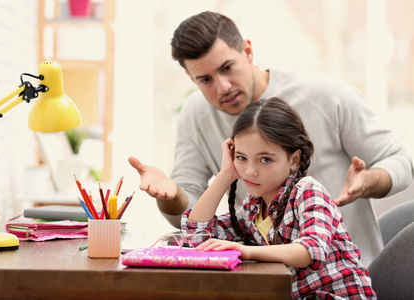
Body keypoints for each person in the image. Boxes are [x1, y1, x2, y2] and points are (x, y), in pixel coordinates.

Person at [129, 11, 414, 266]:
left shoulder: (326, 96)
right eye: (205, 79)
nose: (223, 87)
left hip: (340, 276)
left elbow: (400, 162)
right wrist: (172, 195)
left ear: (248, 51)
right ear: (192, 80)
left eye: (227, 68)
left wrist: (368, 182)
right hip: (267, 279)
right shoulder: (250, 208)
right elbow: (192, 224)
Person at [182, 97, 376, 299]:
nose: (250, 171)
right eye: (241, 158)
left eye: (265, 159)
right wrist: (225, 175)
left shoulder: (308, 191)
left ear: (294, 160)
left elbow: (311, 251)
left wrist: (247, 252)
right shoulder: (253, 208)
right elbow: (196, 236)